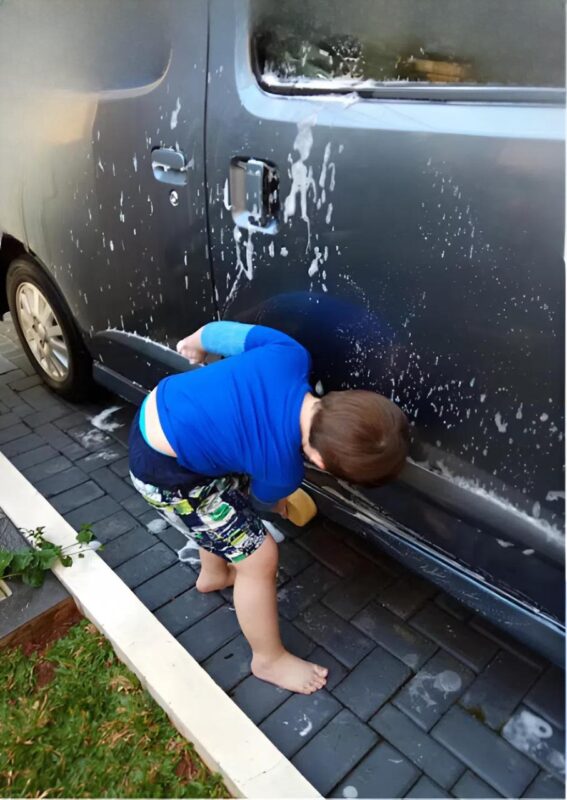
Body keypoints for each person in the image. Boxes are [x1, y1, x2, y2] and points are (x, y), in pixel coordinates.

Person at [128, 321, 409, 694]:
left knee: (221, 502)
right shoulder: (282, 468)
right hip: (166, 474)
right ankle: (268, 659)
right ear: (322, 464)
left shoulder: (291, 355)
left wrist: (194, 343)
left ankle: (213, 574)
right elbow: (259, 502)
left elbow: (222, 334)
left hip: (156, 412)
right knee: (257, 556)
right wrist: (279, 506)